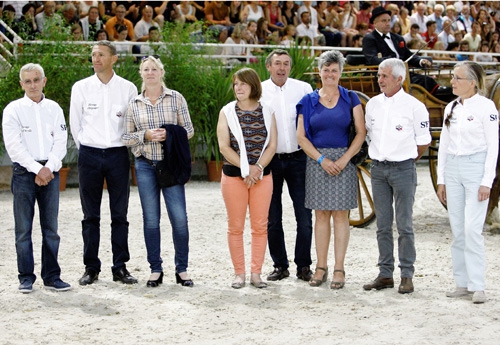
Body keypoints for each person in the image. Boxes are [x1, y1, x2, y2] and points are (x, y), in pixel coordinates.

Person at [122, 56, 195, 288]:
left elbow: (189, 130)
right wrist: (145, 135)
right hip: (145, 164)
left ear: (162, 72)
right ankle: (155, 269)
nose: (150, 72)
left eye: (154, 69)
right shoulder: (133, 103)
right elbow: (125, 137)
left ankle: (181, 269)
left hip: (171, 162)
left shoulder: (176, 98)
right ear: (141, 74)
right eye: (146, 69)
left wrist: (169, 134)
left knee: (179, 219)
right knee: (151, 219)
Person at [70, 41, 138, 286]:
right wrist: (88, 149)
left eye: (101, 55)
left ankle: (120, 267)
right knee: (90, 215)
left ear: (114, 59)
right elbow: (75, 124)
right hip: (89, 154)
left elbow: (131, 124)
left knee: (120, 214)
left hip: (118, 155)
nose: (95, 58)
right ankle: (91, 267)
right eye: (93, 55)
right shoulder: (81, 88)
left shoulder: (128, 88)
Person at [296, 50, 366, 289]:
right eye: (326, 69)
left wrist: (346, 159)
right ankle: (321, 267)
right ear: (320, 71)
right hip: (318, 161)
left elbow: (361, 132)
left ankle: (339, 268)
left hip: (344, 160)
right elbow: (301, 137)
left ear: (340, 72)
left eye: (334, 70)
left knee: (340, 215)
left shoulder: (351, 97)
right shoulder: (307, 101)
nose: (330, 74)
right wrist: (322, 160)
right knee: (321, 215)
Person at [363, 58, 431, 294]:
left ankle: (407, 274)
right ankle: (385, 274)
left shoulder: (415, 106)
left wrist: (406, 159)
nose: (379, 79)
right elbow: (368, 133)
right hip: (378, 170)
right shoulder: (372, 104)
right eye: (379, 75)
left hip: (403, 169)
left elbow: (423, 142)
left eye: (384, 76)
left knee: (404, 225)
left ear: (399, 79)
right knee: (382, 225)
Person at [2, 63, 70, 293]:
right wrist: (36, 169)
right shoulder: (13, 110)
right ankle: (26, 277)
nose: (32, 84)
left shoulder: (54, 108)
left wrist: (48, 168)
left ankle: (52, 276)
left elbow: (61, 141)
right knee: (23, 229)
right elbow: (14, 146)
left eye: (36, 79)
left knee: (51, 228)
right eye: (28, 81)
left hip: (50, 172)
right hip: (24, 173)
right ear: (21, 84)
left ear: (44, 81)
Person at [437, 61, 499, 304]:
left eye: (457, 78)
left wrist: (487, 181)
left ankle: (478, 285)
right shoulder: (450, 107)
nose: (452, 81)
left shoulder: (487, 108)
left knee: (473, 229)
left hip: (476, 168)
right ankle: (462, 283)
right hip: (453, 168)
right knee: (458, 229)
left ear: (472, 83)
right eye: (453, 77)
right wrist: (441, 179)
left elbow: (494, 146)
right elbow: (443, 145)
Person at [217, 67, 277, 289]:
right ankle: (239, 273)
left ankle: (256, 273)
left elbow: (272, 145)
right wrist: (246, 169)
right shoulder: (227, 111)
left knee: (260, 226)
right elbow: (224, 146)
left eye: (242, 83)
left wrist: (258, 167)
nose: (238, 88)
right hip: (234, 177)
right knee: (235, 226)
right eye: (235, 84)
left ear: (253, 86)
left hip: (262, 176)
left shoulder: (268, 111)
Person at [260, 49, 314, 282]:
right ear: (268, 67)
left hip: (299, 160)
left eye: (285, 64)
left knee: (304, 215)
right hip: (270, 161)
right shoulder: (259, 90)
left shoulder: (303, 89)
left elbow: (311, 122)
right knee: (273, 218)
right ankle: (280, 265)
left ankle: (303, 265)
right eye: (277, 63)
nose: (282, 68)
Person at [363, 7, 453, 101]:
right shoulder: (370, 39)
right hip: (385, 75)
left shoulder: (398, 38)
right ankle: (438, 98)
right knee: (422, 80)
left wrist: (420, 61)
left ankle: (438, 99)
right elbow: (372, 59)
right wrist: (394, 63)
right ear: (375, 23)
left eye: (389, 20)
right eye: (384, 21)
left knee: (425, 79)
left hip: (403, 73)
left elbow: (408, 55)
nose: (387, 23)